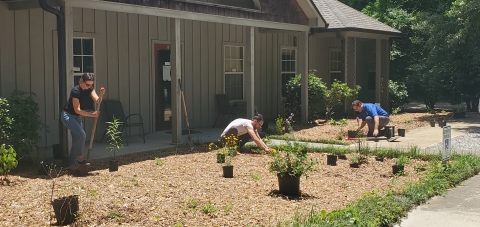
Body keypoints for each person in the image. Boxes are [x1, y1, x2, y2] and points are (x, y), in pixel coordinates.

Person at [61, 73, 106, 171]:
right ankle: (80, 159)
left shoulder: (90, 89)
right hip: (68, 116)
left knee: (77, 140)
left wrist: (101, 94)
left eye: (91, 85)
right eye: (87, 84)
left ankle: (72, 165)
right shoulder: (75, 91)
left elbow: (97, 101)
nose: (89, 86)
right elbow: (77, 110)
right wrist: (92, 115)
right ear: (81, 82)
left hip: (77, 117)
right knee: (82, 135)